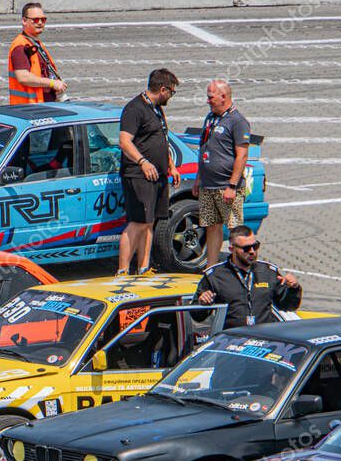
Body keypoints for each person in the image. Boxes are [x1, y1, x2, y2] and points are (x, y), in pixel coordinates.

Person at [117, 69, 181, 275]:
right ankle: (122, 271)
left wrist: (171, 165)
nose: (171, 96)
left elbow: (161, 138)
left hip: (158, 175)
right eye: (171, 92)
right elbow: (124, 142)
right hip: (138, 175)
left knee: (149, 222)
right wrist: (143, 162)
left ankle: (144, 267)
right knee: (137, 222)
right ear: (162, 89)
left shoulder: (156, 109)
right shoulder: (134, 109)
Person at [192, 81, 253, 267]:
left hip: (226, 186)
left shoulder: (238, 121)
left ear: (224, 97)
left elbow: (242, 155)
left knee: (236, 230)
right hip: (207, 184)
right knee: (212, 226)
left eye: (211, 97)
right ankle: (211, 267)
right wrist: (198, 178)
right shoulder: (210, 118)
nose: (207, 101)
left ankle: (241, 266)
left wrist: (232, 186)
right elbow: (204, 149)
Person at [196, 225, 302, 329]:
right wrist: (203, 303)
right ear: (232, 249)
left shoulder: (268, 271)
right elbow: (196, 316)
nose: (252, 251)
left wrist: (293, 288)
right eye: (246, 248)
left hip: (265, 339)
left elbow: (288, 306)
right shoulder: (214, 275)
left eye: (255, 246)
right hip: (232, 340)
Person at [8, 2, 67, 105]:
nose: (40, 23)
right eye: (35, 20)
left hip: (42, 105)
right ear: (24, 21)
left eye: (43, 19)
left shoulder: (35, 43)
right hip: (30, 108)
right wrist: (52, 83)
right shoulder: (20, 46)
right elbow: (23, 77)